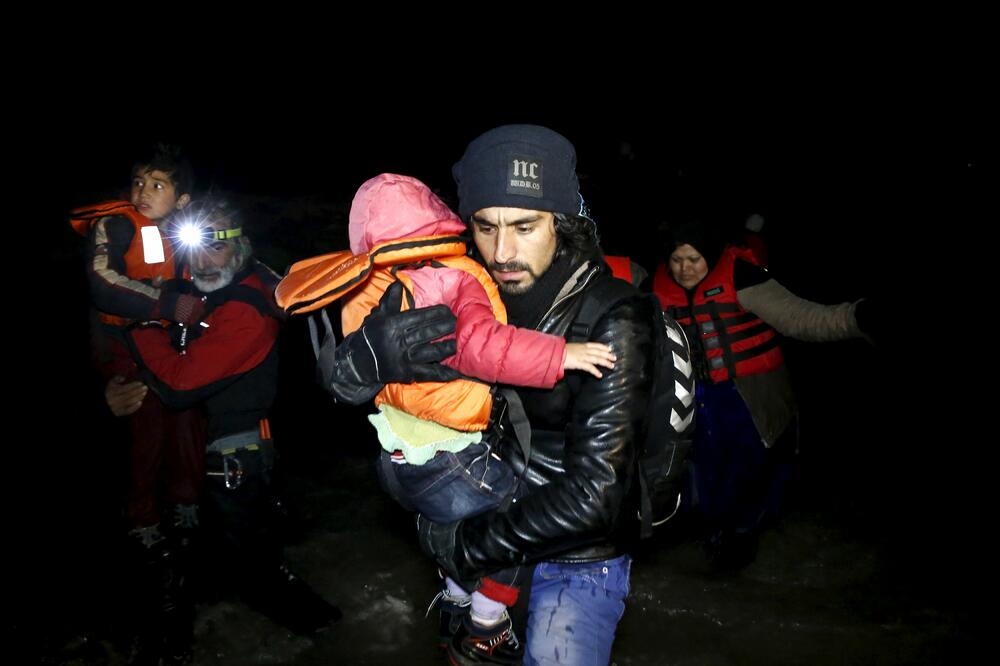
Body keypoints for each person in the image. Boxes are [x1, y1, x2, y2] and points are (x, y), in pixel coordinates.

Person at [327, 125, 655, 665]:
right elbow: (371, 386)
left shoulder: (614, 313)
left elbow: (599, 496)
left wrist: (465, 546)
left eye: (525, 226)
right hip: (480, 515)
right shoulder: (459, 285)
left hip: (573, 553)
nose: (503, 251)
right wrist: (352, 369)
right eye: (486, 226)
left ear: (563, 223)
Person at [118, 198, 341, 661]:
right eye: (193, 247)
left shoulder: (245, 310)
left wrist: (141, 331)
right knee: (246, 556)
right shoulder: (222, 292)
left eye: (214, 247)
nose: (201, 261)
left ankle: (333, 636)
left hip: (238, 457)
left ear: (239, 248)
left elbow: (179, 385)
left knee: (253, 567)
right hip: (232, 452)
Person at [651, 218, 871, 569]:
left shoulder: (742, 277)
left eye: (693, 259)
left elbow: (803, 319)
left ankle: (740, 547)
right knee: (699, 479)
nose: (684, 269)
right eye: (677, 260)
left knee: (750, 480)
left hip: (749, 398)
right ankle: (711, 544)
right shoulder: (656, 287)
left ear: (709, 254)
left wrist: (855, 318)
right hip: (696, 398)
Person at [71, 143, 207, 549]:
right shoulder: (116, 224)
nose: (143, 192)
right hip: (123, 343)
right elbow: (101, 281)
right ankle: (142, 518)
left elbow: (202, 280)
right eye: (139, 182)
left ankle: (187, 503)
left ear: (181, 198)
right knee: (143, 428)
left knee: (186, 422)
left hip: (170, 344)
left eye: (157, 184)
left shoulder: (187, 230)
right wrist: (166, 302)